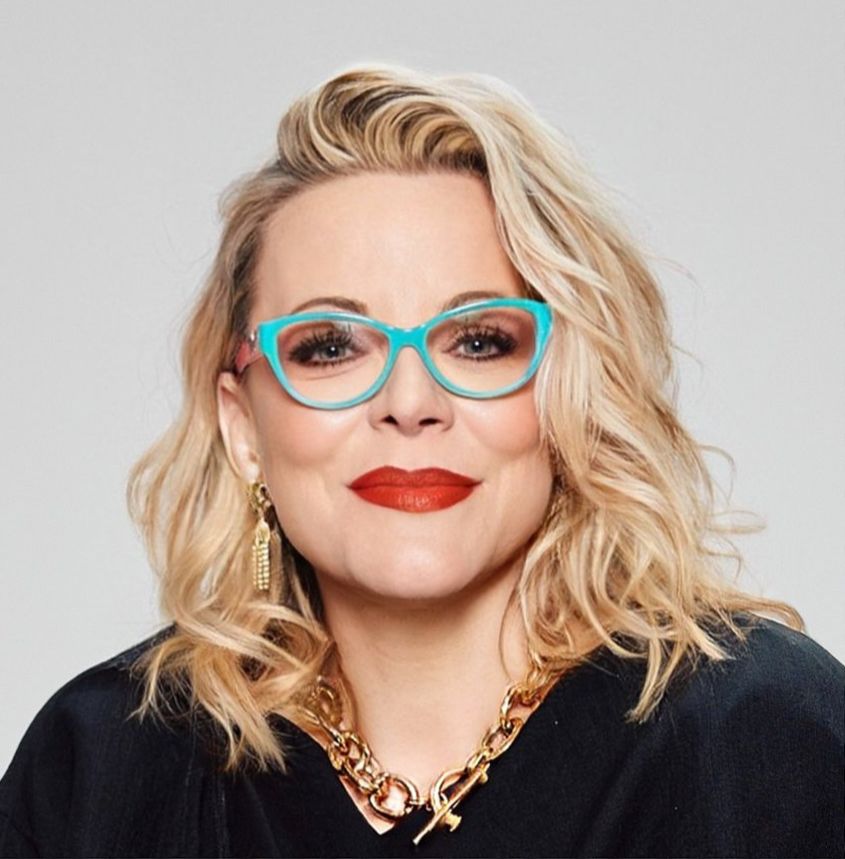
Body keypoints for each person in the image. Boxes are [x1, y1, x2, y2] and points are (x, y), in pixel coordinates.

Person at [1, 63, 842, 859]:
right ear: (242, 424)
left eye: (477, 340)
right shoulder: (99, 769)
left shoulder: (764, 739)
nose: (409, 401)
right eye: (331, 346)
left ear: (568, 391)